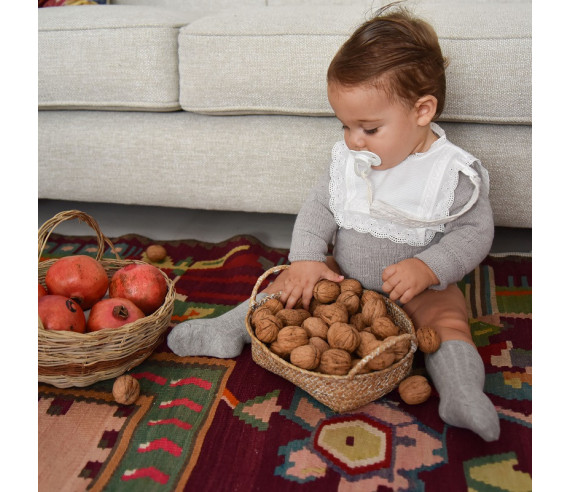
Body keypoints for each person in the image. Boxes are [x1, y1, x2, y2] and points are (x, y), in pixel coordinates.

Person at [168, 2, 500, 442]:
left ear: (422, 112)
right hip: (344, 278)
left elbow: (475, 233)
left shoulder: (450, 174)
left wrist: (429, 268)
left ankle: (461, 392)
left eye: (368, 128)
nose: (353, 140)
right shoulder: (349, 159)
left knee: (450, 325)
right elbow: (319, 207)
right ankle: (228, 330)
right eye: (344, 125)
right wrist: (305, 259)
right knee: (287, 291)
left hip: (420, 291)